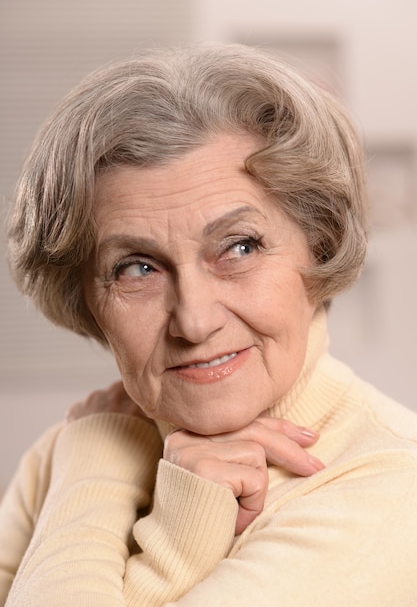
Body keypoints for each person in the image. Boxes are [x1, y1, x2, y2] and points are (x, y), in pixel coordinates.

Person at [1, 44, 416, 606]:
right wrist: (103, 475)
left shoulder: (390, 485)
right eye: (137, 268)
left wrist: (92, 486)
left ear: (318, 247)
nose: (194, 322)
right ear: (85, 299)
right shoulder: (73, 450)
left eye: (239, 247)